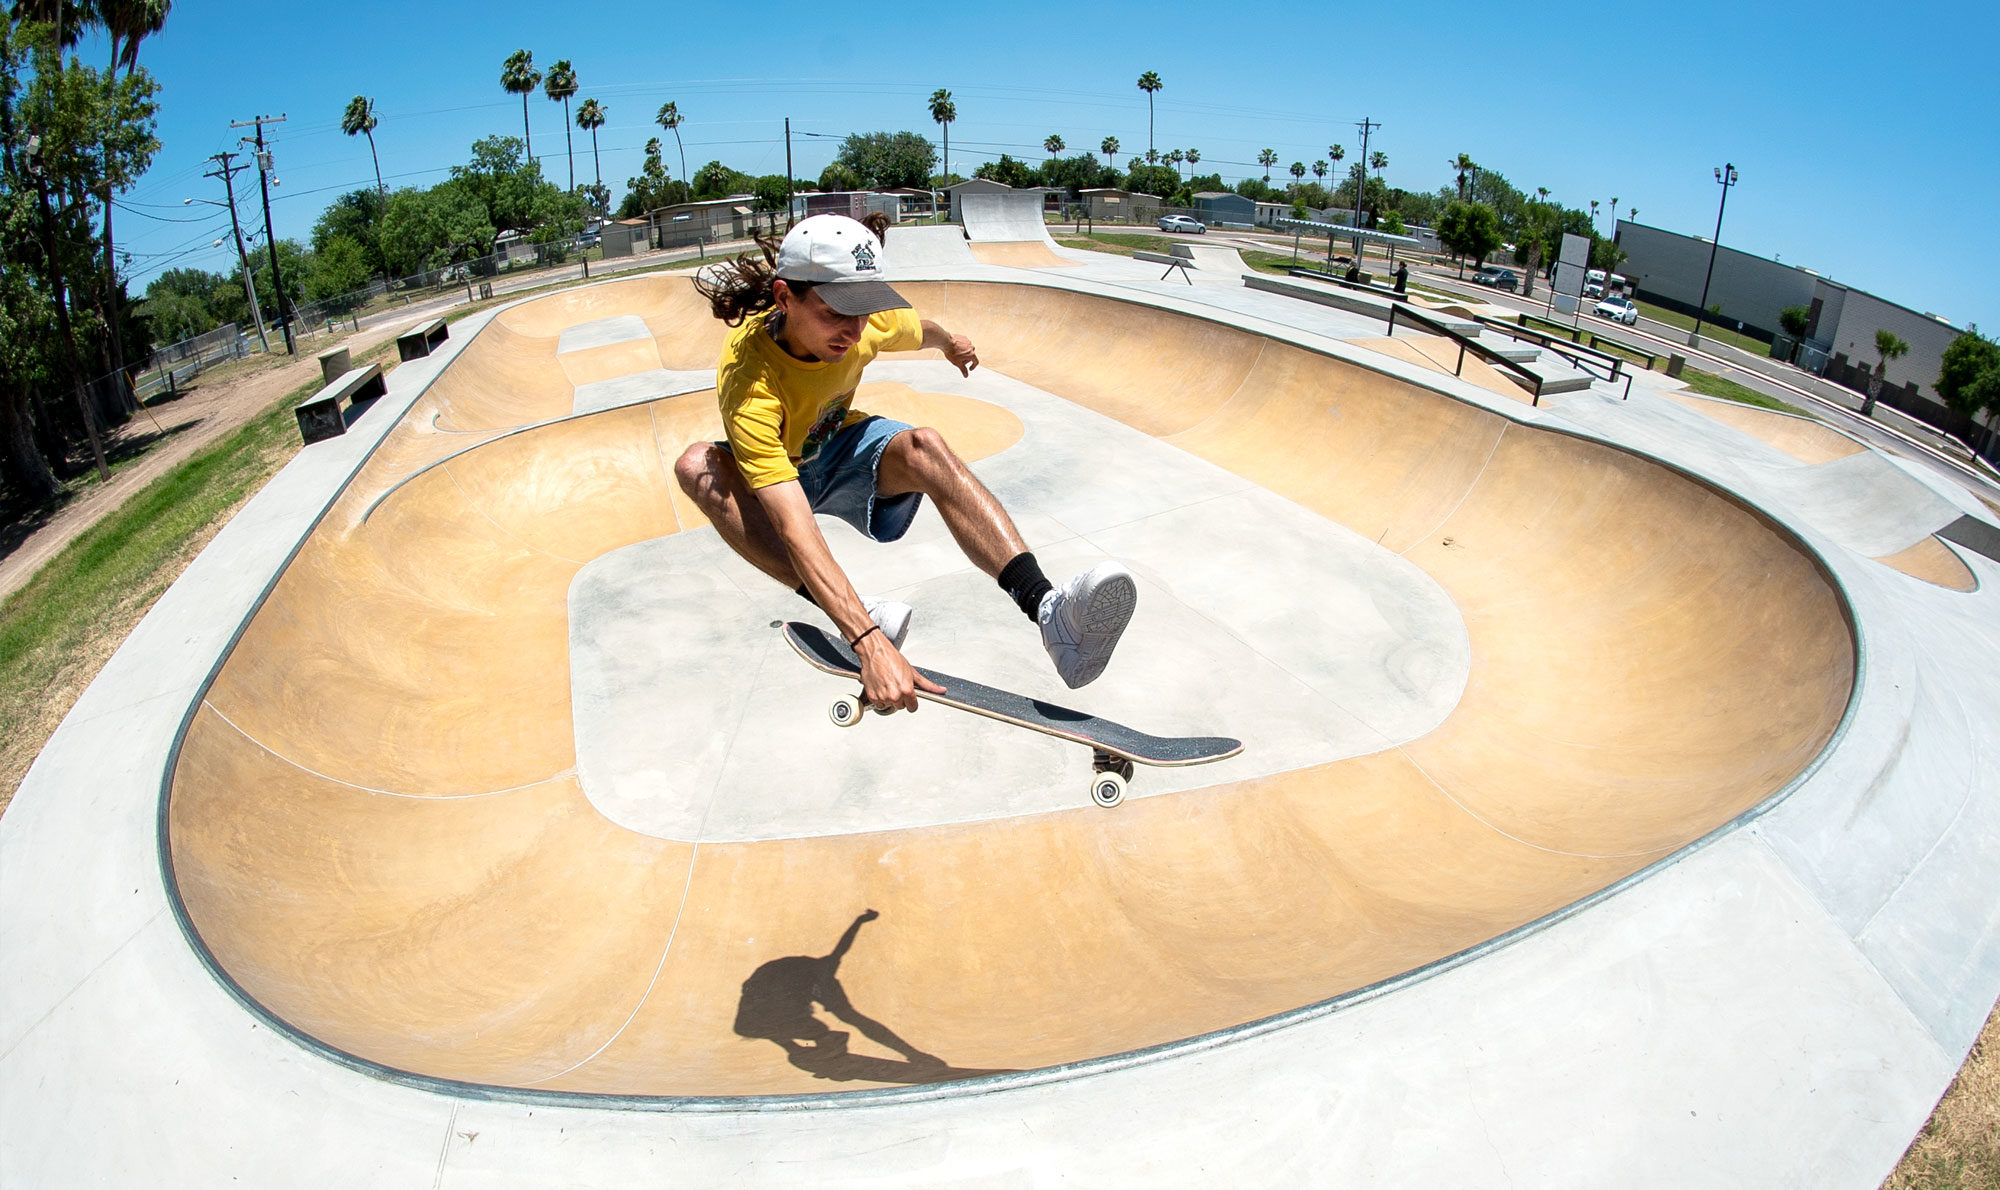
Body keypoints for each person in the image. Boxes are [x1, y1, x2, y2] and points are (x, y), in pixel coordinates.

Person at [676, 213, 1136, 712]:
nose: (852, 332)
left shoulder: (867, 323)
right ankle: (855, 609)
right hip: (780, 479)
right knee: (695, 465)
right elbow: (794, 526)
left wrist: (952, 345)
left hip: (838, 450)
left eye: (862, 312)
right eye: (835, 314)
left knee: (926, 445)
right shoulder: (750, 384)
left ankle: (1052, 616)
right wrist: (868, 641)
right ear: (785, 297)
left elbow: (923, 329)